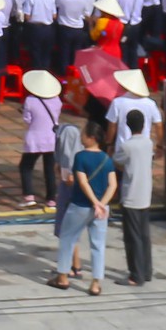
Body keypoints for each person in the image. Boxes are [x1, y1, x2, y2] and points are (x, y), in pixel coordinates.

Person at [50, 114, 115, 296]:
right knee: (98, 244)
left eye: (84, 134)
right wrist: (102, 204)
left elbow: (82, 182)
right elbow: (113, 185)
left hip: (80, 205)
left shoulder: (80, 157)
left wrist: (94, 202)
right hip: (101, 209)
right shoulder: (106, 159)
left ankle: (62, 277)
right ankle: (95, 283)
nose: (81, 136)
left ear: (92, 138)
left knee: (67, 239)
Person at [112, 104, 157, 286]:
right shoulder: (149, 143)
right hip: (145, 193)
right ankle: (146, 271)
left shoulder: (126, 146)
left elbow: (117, 162)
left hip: (131, 195)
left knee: (133, 237)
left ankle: (135, 275)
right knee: (144, 235)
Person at [19, 68, 63, 209]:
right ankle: (51, 199)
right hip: (51, 139)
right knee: (49, 169)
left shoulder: (30, 100)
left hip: (35, 139)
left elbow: (27, 119)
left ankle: (28, 196)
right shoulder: (57, 100)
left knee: (26, 166)